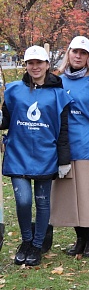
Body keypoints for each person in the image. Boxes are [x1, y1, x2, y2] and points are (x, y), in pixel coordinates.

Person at [0, 45, 71, 266]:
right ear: (26, 65)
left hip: (45, 156)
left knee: (42, 202)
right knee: (23, 201)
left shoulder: (59, 94)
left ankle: (37, 246)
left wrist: (64, 160)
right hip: (18, 154)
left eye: (39, 63)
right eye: (31, 63)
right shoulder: (13, 90)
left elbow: (63, 130)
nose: (35, 67)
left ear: (47, 65)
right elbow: (5, 121)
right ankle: (26, 241)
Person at [50, 36, 89, 258]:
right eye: (75, 51)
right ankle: (79, 239)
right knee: (70, 197)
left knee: (88, 196)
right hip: (65, 147)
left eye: (83, 53)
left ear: (88, 57)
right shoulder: (58, 81)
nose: (78, 56)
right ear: (68, 53)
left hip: (88, 146)